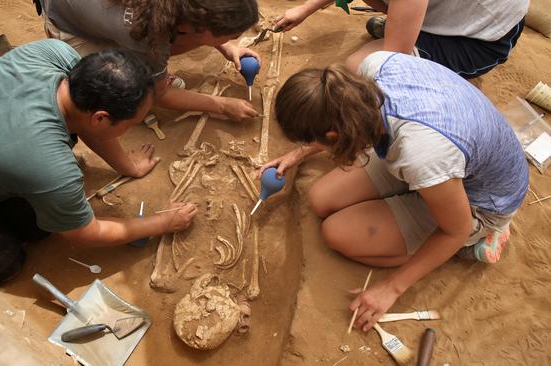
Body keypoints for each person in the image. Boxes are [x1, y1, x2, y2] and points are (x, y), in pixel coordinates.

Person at [259, 51, 528, 330]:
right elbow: (342, 119)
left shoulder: (420, 154)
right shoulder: (370, 68)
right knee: (320, 199)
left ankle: (478, 240)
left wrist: (391, 288)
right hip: (444, 160)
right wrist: (300, 153)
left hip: (482, 200)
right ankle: (425, 198)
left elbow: (454, 229)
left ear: (333, 136)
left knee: (337, 233)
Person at [0, 39, 198, 285]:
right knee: (1, 263)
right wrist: (161, 223)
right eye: (130, 123)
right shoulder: (49, 166)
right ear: (101, 118)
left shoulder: (53, 54)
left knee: (39, 224)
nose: (129, 129)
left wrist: (128, 167)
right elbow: (86, 232)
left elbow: (88, 124)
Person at [36, 0, 262, 121]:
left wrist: (227, 46)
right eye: (233, 34)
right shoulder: (149, 34)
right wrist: (222, 106)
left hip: (88, 10)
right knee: (126, 90)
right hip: (69, 25)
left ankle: (155, 73)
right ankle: (152, 75)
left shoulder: (178, 9)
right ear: (195, 25)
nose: (236, 38)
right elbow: (160, 95)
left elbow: (197, 16)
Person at [274, 0, 528, 78]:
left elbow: (392, 60)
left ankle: (412, 30)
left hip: (475, 38)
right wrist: (305, 9)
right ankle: (406, 22)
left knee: (360, 67)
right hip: (451, 10)